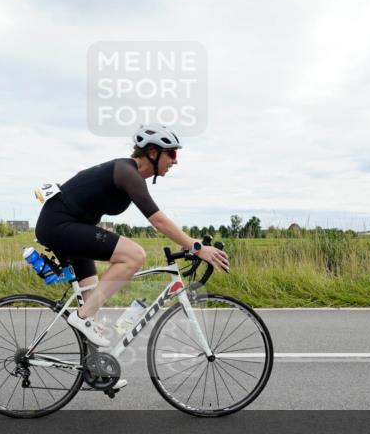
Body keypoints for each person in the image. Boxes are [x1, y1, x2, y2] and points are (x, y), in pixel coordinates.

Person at [34, 125, 231, 364]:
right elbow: (157, 219)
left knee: (93, 311)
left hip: (68, 226)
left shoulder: (129, 175)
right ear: (152, 152)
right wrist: (195, 246)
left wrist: (192, 243)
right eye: (172, 154)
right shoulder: (127, 172)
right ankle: (83, 316)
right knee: (134, 255)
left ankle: (96, 368)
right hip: (59, 226)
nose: (175, 161)